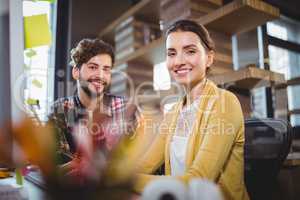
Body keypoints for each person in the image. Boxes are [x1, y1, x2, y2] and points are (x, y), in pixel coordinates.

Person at [133, 20, 249, 200]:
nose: (178, 61)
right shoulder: (173, 112)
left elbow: (198, 181)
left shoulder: (225, 102)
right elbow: (144, 165)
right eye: (172, 53)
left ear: (209, 58)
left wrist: (127, 181)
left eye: (190, 51)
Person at [48, 38, 137, 163]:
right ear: (76, 72)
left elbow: (133, 162)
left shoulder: (125, 108)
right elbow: (56, 162)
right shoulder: (60, 110)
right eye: (93, 67)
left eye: (106, 69)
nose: (100, 75)